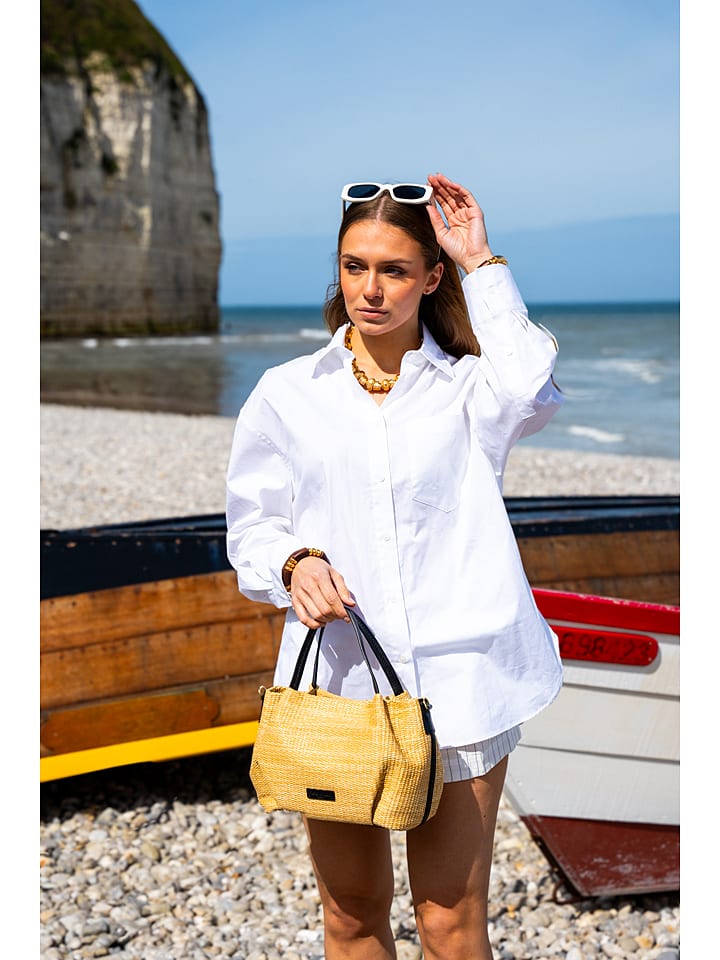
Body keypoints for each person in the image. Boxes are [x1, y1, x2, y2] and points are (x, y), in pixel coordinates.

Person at [225, 173, 564, 960]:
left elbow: (533, 386)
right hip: (341, 684)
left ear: (431, 278)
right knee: (350, 916)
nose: (369, 289)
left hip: (464, 683)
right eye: (354, 266)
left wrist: (480, 260)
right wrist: (293, 561)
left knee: (450, 922)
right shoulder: (286, 394)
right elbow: (252, 525)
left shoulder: (474, 390)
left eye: (394, 270)